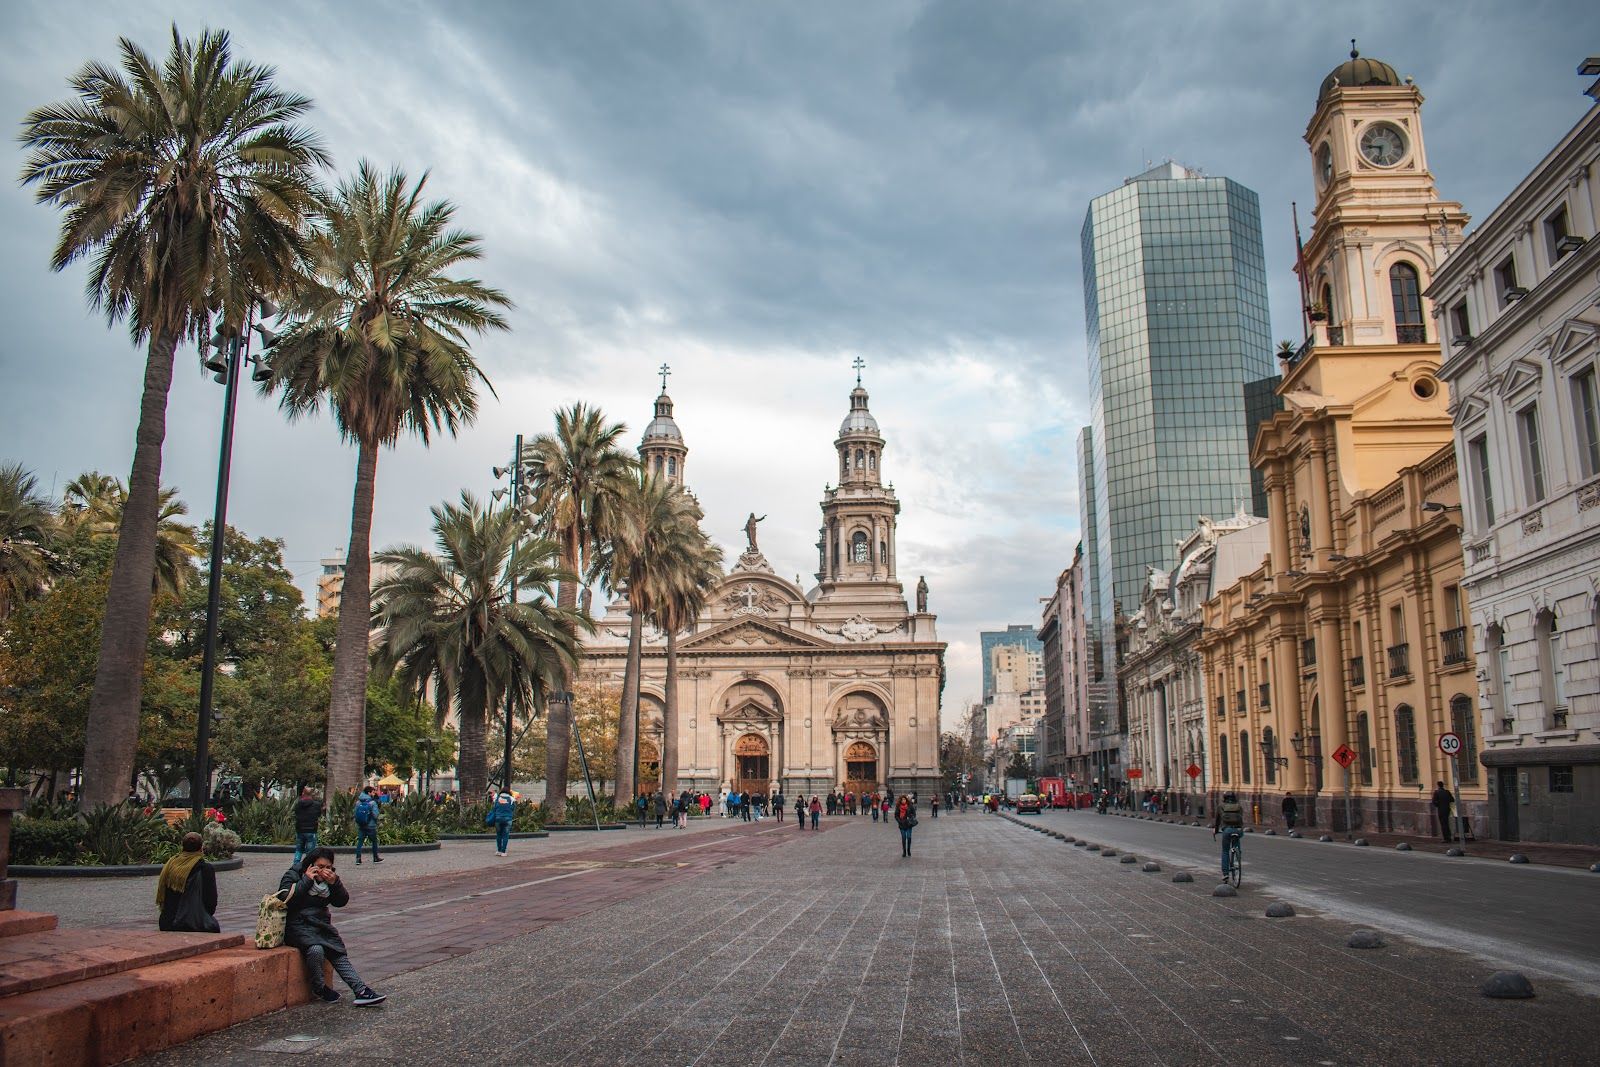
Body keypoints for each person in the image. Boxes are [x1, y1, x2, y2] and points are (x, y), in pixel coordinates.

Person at [280, 847, 385, 1006]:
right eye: (320, 866)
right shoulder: (294, 874)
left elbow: (341, 901)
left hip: (321, 924)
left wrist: (335, 883)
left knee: (337, 950)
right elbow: (285, 899)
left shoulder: (329, 880)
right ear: (310, 864)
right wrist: (307, 880)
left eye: (328, 867)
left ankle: (361, 990)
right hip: (297, 925)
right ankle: (320, 987)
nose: (324, 870)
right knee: (316, 949)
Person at [156, 832, 219, 932]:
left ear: (182, 847)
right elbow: (210, 902)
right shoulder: (205, 869)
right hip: (193, 924)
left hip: (167, 922)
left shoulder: (170, 865)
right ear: (201, 848)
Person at [1212, 790, 1245, 880]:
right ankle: (1237, 855)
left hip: (1227, 830)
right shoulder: (1239, 806)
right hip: (1238, 830)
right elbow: (1241, 820)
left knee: (1225, 851)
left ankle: (1225, 874)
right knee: (1236, 841)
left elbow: (1217, 821)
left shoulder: (1220, 806)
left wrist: (1215, 830)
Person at [293, 787, 323, 867]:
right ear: (311, 794)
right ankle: (308, 866)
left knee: (299, 849)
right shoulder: (316, 805)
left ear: (303, 793)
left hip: (300, 829)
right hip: (311, 830)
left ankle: (295, 865)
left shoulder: (298, 804)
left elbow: (296, 814)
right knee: (310, 851)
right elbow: (318, 815)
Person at [353, 787, 382, 864]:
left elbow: (355, 813)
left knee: (360, 842)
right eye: (373, 792)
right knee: (374, 841)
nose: (374, 794)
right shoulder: (372, 803)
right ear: (369, 793)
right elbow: (376, 815)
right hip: (371, 826)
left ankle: (358, 859)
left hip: (361, 825)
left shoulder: (358, 802)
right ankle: (375, 857)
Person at [486, 790, 516, 856]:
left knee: (499, 835)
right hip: (508, 819)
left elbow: (494, 808)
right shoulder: (511, 799)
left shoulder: (497, 799)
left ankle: (499, 851)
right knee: (505, 835)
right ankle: (503, 852)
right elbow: (513, 808)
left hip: (498, 819)